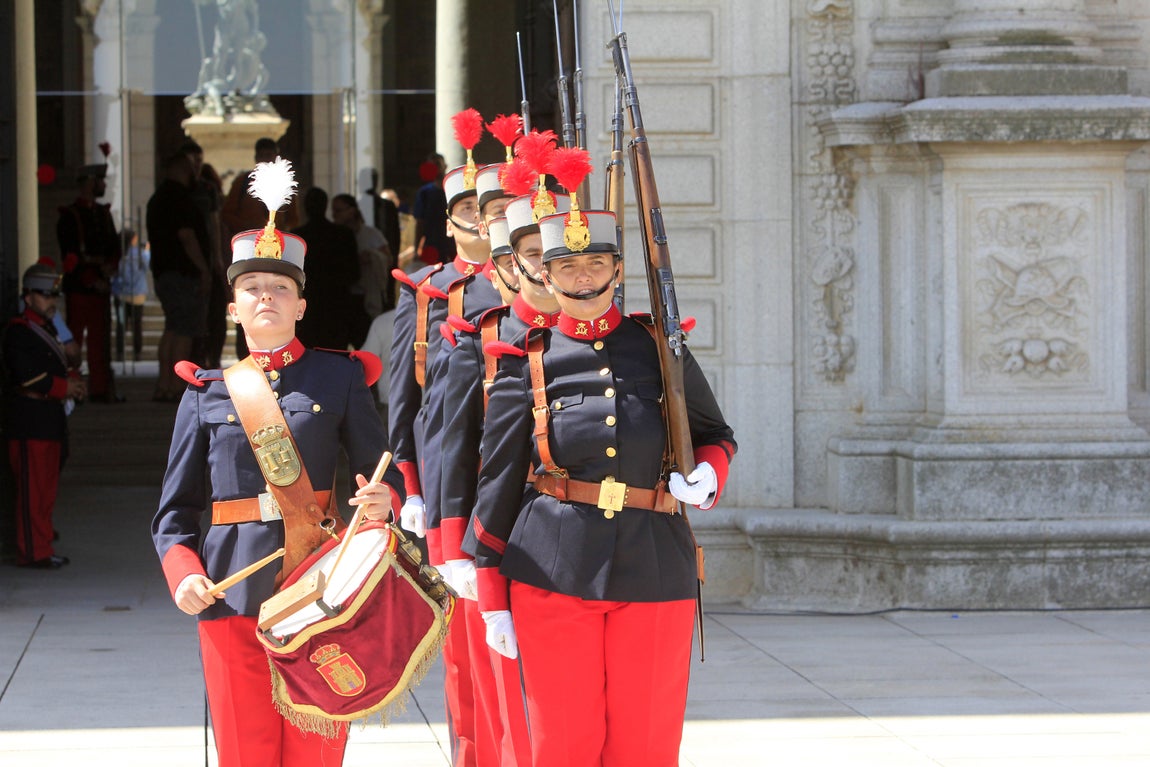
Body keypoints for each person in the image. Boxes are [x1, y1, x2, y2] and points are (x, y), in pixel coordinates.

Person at [463, 204, 737, 767]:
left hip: (655, 562)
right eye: (567, 265)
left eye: (595, 262)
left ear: (617, 269)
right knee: (563, 744)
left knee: (646, 743)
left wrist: (709, 474)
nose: (583, 276)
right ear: (544, 275)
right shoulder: (526, 361)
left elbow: (715, 434)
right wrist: (491, 598)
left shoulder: (660, 348)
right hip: (553, 571)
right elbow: (498, 483)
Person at [151, 158, 404, 766]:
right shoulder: (205, 393)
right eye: (252, 288)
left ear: (301, 306)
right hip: (231, 589)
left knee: (317, 752)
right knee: (246, 751)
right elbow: (175, 513)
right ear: (233, 308)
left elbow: (384, 473)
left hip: (320, 586)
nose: (266, 296)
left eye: (281, 288)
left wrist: (384, 501)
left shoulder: (341, 377)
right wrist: (184, 574)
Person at [388, 111, 502, 766]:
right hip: (450, 475)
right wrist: (410, 484)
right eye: (468, 209)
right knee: (464, 645)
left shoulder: (538, 284)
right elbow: (404, 398)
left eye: (493, 208)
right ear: (451, 221)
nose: (481, 220)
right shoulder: (428, 290)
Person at [3, 262, 87, 568]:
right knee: (32, 492)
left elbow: (62, 362)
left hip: (49, 418)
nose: (51, 300)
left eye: (53, 295)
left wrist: (72, 382)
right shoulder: (19, 331)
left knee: (46, 489)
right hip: (30, 418)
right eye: (44, 295)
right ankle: (33, 551)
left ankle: (42, 542)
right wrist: (65, 387)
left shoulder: (48, 327)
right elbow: (26, 376)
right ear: (28, 297)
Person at [221, 137, 300, 359]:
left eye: (270, 154)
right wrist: (249, 229)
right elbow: (226, 215)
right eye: (263, 155)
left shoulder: (286, 184)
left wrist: (279, 233)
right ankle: (246, 358)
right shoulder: (242, 183)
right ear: (256, 157)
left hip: (279, 253)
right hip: (249, 251)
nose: (266, 158)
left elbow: (294, 218)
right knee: (249, 303)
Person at [146, 153, 211, 402]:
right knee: (184, 330)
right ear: (184, 168)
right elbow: (187, 236)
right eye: (193, 166)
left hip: (164, 272)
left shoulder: (157, 198)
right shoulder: (179, 198)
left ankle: (164, 383)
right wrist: (203, 268)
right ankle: (175, 386)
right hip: (183, 273)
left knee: (172, 329)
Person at [56, 161, 121, 402]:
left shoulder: (103, 214)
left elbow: (114, 248)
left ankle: (99, 389)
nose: (103, 185)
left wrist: (109, 268)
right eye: (100, 181)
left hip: (100, 287)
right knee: (74, 339)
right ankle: (73, 388)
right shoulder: (69, 216)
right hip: (80, 287)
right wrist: (92, 280)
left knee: (99, 342)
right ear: (89, 183)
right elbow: (71, 255)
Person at [292, 187, 361, 350]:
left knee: (307, 356)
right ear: (326, 206)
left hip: (308, 308)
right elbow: (354, 273)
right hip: (336, 307)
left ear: (305, 208)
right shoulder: (343, 234)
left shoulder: (297, 237)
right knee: (335, 355)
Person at [331, 192, 391, 347]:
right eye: (333, 210)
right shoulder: (332, 237)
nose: (335, 215)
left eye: (339, 210)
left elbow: (388, 258)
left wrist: (371, 257)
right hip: (340, 299)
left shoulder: (371, 234)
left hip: (365, 298)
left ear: (352, 211)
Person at [110, 229, 150, 363]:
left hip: (121, 294)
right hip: (137, 294)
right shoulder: (139, 253)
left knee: (121, 325)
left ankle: (120, 353)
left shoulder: (118, 254)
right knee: (136, 325)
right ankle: (137, 352)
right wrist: (147, 250)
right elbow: (147, 264)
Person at [412, 152, 455, 266]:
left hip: (453, 243)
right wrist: (416, 248)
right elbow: (419, 222)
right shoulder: (424, 193)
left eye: (437, 164)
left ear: (445, 166)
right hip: (432, 244)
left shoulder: (453, 189)